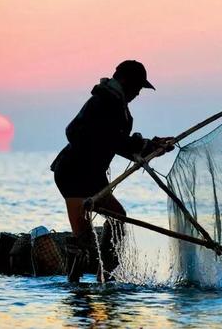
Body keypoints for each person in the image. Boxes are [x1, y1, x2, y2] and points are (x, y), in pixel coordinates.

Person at [51, 60, 173, 282]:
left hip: (92, 177)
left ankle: (105, 274)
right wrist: (138, 146)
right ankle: (75, 291)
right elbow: (76, 132)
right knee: (82, 241)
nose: (138, 93)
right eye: (137, 87)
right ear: (125, 81)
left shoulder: (116, 105)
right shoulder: (102, 102)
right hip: (74, 174)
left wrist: (151, 147)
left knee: (118, 218)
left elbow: (117, 142)